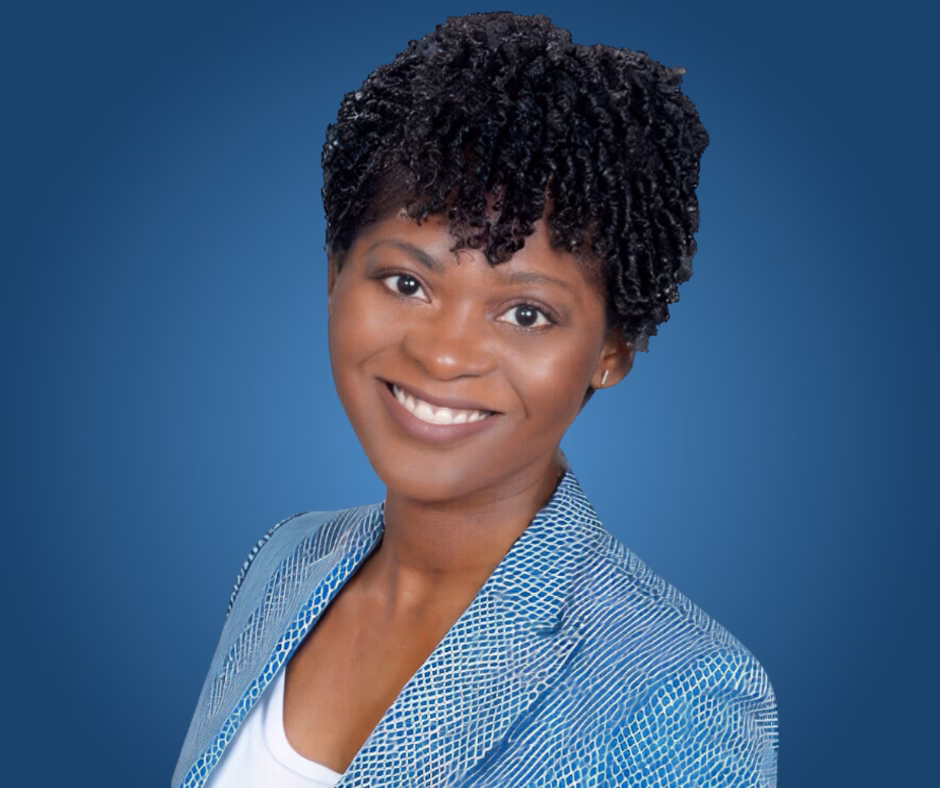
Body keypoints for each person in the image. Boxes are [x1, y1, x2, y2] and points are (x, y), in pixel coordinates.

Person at [173, 12, 778, 787]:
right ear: (334, 275)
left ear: (613, 352)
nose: (444, 353)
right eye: (407, 282)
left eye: (526, 313)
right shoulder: (286, 562)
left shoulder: (678, 697)